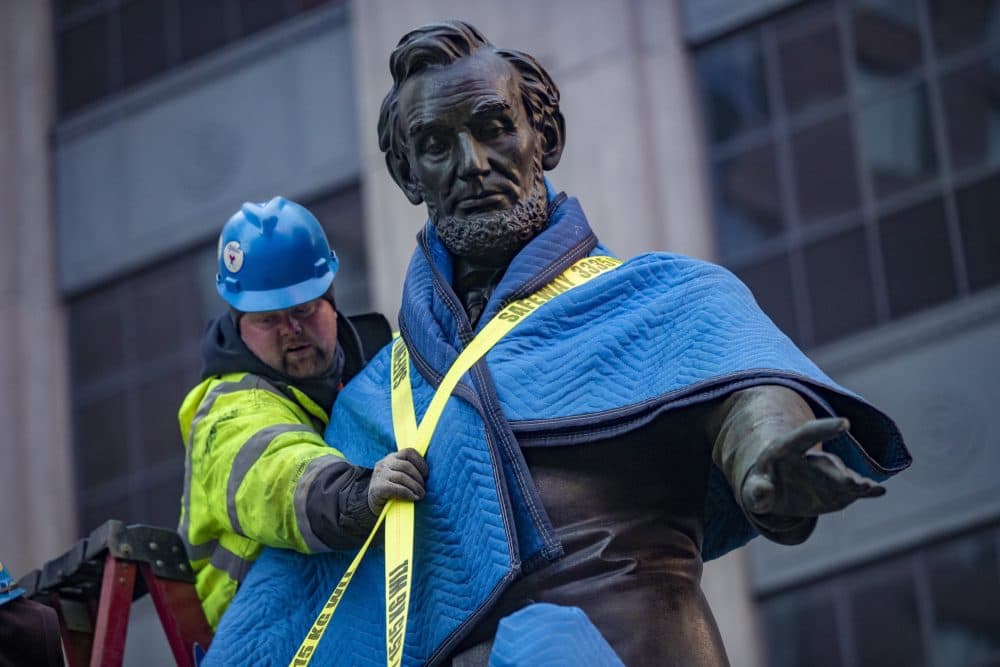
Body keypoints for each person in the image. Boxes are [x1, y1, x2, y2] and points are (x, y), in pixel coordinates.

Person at [204, 22, 911, 666]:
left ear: (545, 137)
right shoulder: (374, 403)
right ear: (407, 175)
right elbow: (287, 603)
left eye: (493, 128)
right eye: (435, 145)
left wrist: (767, 450)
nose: (472, 163)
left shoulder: (658, 296)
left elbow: (736, 383)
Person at [177, 196, 428, 629]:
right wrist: (353, 495)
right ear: (238, 323)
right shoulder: (226, 412)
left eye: (302, 310)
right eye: (267, 320)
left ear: (330, 299)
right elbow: (276, 474)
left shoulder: (386, 363)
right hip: (264, 633)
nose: (290, 331)